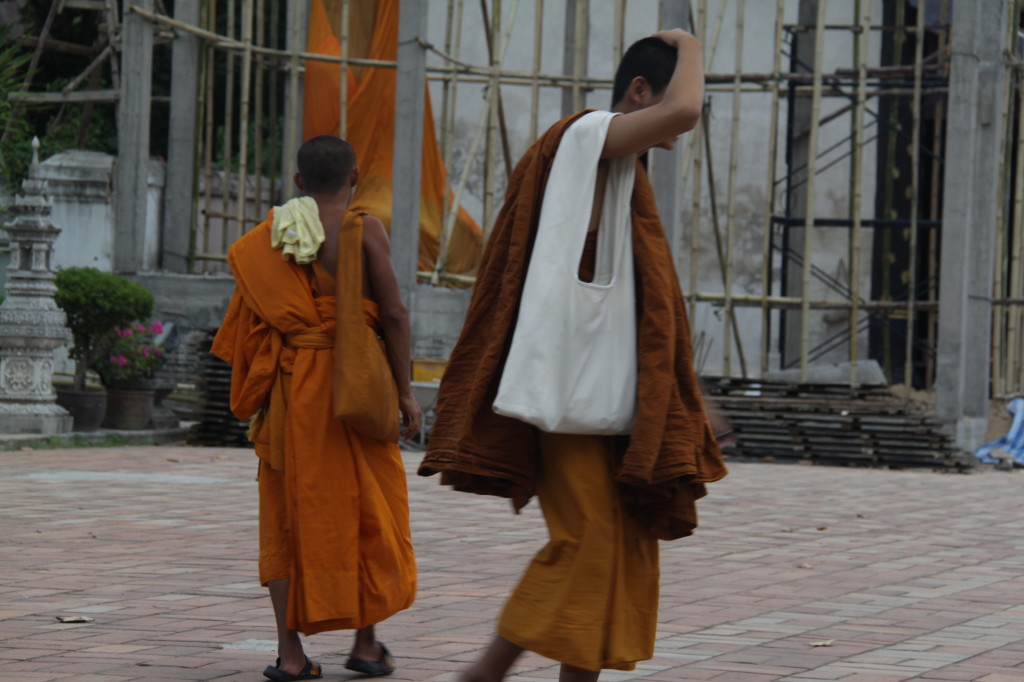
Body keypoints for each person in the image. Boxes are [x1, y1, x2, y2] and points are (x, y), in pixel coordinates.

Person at [419, 30, 728, 682]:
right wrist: (688, 42)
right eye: (672, 88)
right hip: (566, 388)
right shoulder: (587, 138)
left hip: (610, 396)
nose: (685, 119)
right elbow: (684, 111)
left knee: (622, 545)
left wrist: (682, 395)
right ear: (639, 92)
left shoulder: (624, 175)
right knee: (588, 541)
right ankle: (484, 673)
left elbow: (644, 308)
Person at [212, 135, 422, 682]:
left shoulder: (271, 237)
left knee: (285, 520)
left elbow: (249, 328)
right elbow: (395, 314)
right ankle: (366, 644)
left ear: (299, 182)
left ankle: (291, 656)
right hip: (357, 389)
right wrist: (405, 393)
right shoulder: (363, 229)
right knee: (367, 510)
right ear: (354, 178)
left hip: (291, 393)